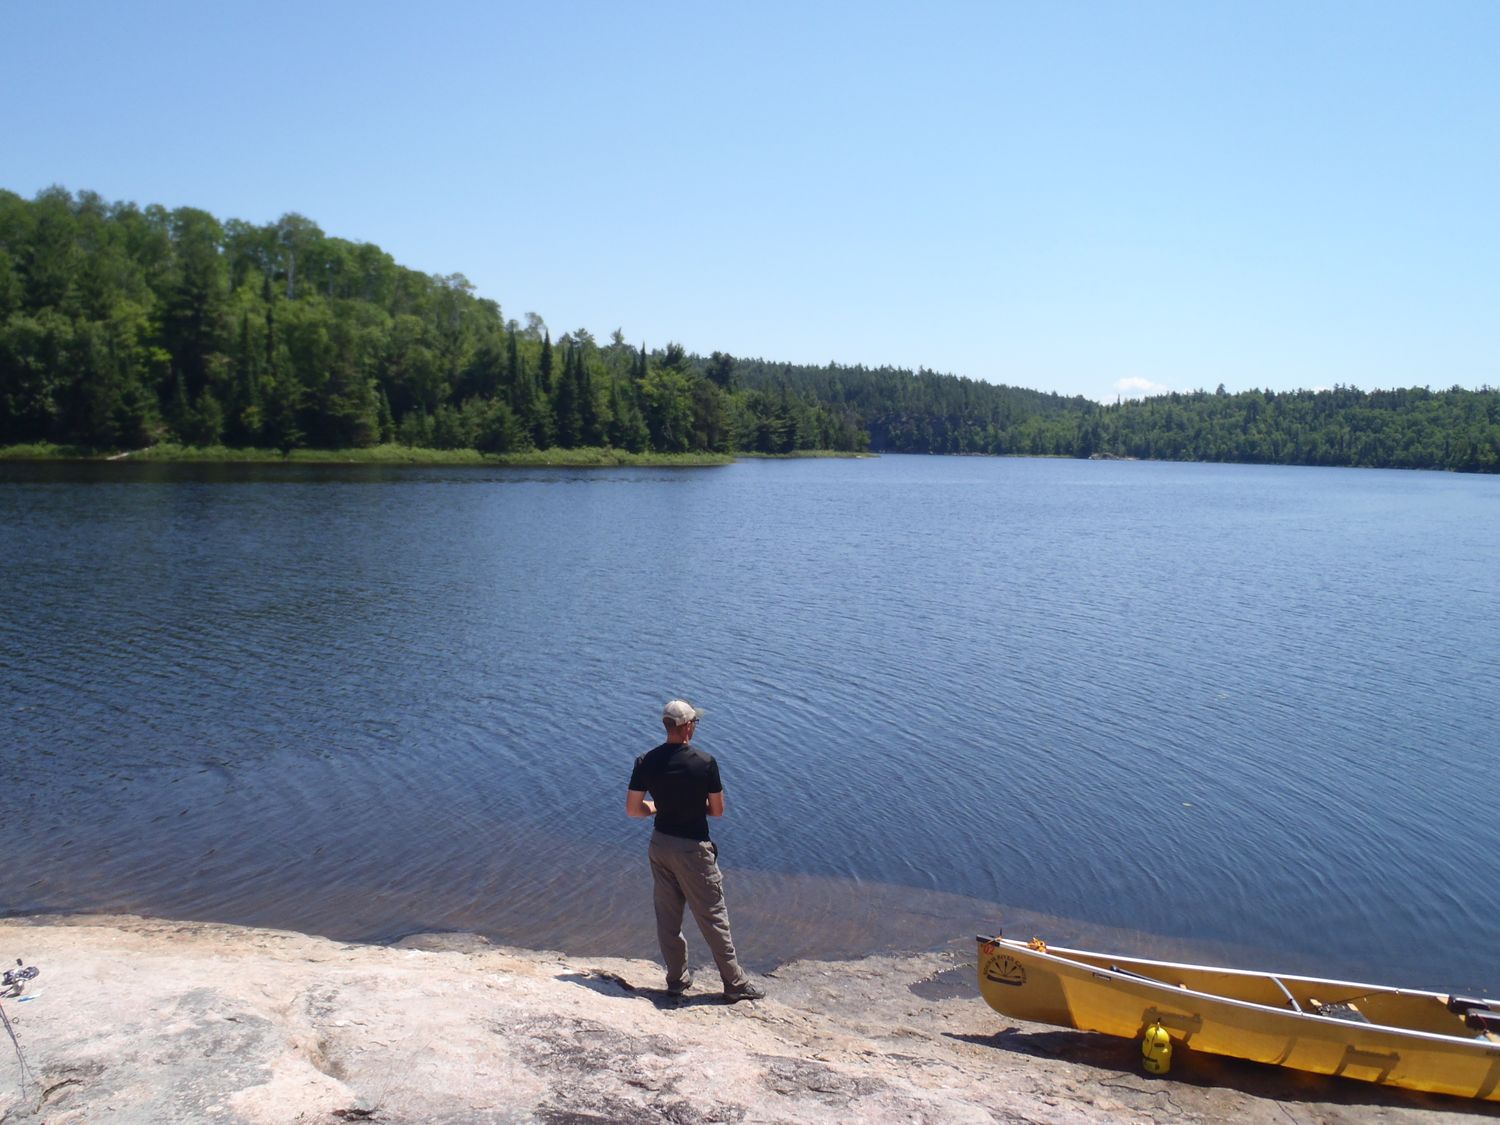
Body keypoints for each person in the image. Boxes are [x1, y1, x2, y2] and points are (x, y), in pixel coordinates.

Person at [626, 699, 765, 1002]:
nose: (696, 727)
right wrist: (688, 804)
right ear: (687, 726)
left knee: (668, 917)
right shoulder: (705, 762)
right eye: (695, 723)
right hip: (693, 850)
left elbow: (634, 810)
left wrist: (660, 805)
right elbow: (717, 810)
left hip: (660, 845)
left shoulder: (645, 761)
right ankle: (734, 983)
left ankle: (677, 980)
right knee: (713, 916)